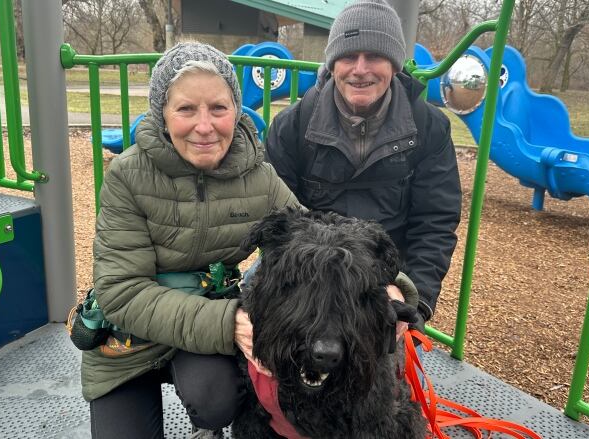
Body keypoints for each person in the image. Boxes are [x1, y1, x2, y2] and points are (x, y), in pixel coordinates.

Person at [81, 42, 298, 439]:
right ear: (162, 115)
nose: (204, 126)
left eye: (218, 108)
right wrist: (229, 322)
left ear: (236, 110)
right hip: (127, 342)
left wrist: (387, 283)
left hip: (201, 330)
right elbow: (121, 292)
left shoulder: (259, 178)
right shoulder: (129, 176)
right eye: (185, 109)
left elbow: (312, 240)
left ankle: (209, 424)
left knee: (217, 401)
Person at [265, 0, 462, 329]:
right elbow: (278, 222)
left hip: (387, 278)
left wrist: (413, 295)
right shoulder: (292, 126)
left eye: (374, 56)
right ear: (331, 64)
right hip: (311, 276)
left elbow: (434, 223)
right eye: (348, 56)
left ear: (395, 64)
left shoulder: (428, 127)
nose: (360, 69)